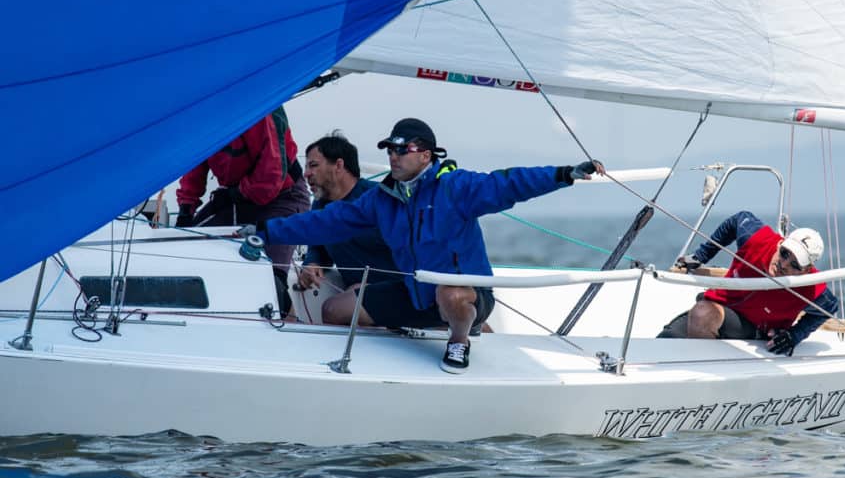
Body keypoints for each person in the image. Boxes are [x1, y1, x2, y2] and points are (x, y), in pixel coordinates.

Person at [244, 117, 604, 374]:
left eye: (404, 149)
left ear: (426, 155)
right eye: (389, 150)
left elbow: (509, 183)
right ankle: (383, 365)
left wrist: (563, 174)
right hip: (415, 295)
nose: (394, 156)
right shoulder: (381, 199)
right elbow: (326, 221)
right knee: (337, 309)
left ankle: (460, 340)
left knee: (451, 293)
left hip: (466, 295)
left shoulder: (457, 187)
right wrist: (268, 231)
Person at [175, 107, 310, 313]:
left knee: (272, 281)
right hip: (237, 197)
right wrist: (186, 209)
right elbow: (196, 163)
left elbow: (270, 178)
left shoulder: (260, 109)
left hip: (283, 196)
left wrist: (233, 195)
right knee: (184, 245)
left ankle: (291, 324)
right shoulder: (203, 112)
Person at [658, 210, 838, 355]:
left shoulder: (810, 285)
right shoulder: (758, 239)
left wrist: (794, 336)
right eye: (784, 253)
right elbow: (738, 219)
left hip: (756, 330)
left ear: (806, 271)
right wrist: (702, 255)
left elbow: (830, 307)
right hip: (721, 309)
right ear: (780, 244)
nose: (782, 265)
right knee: (662, 344)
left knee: (702, 313)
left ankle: (708, 387)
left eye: (794, 265)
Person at [297, 131, 399, 293]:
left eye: (313, 165)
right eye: (306, 167)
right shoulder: (320, 205)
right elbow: (318, 248)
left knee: (332, 310)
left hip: (405, 294)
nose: (306, 173)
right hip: (360, 295)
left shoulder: (383, 200)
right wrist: (313, 263)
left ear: (338, 166)